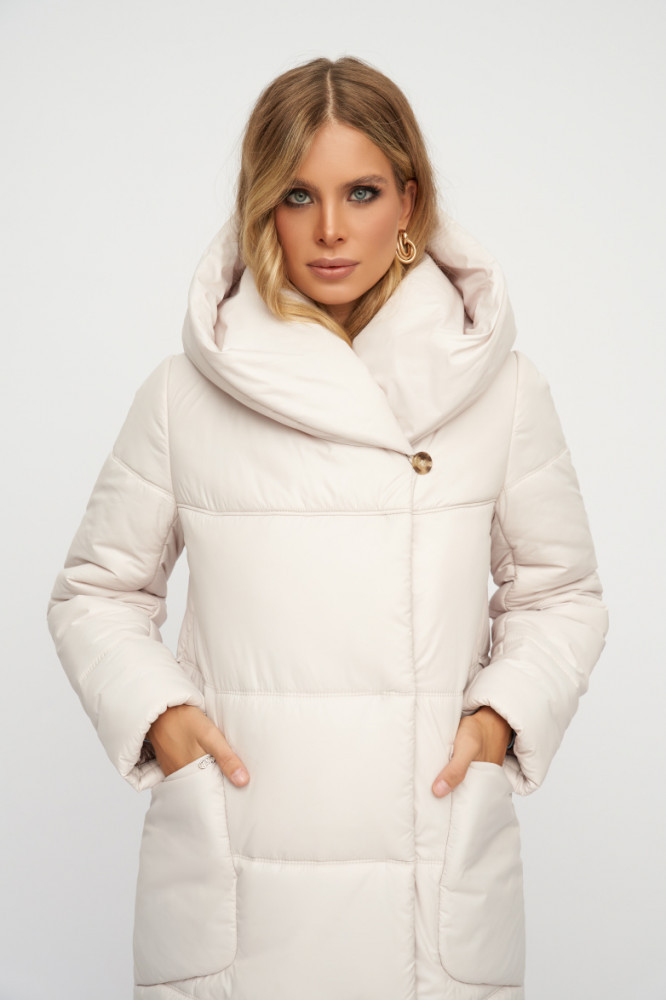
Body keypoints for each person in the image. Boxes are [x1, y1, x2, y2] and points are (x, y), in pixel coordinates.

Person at [46, 55, 609, 1000]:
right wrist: (164, 719)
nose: (331, 229)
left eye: (362, 192)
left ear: (410, 202)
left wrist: (497, 719)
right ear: (261, 204)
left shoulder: (503, 391)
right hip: (240, 856)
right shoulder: (183, 395)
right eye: (298, 195)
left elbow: (562, 595)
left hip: (431, 857)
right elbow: (95, 593)